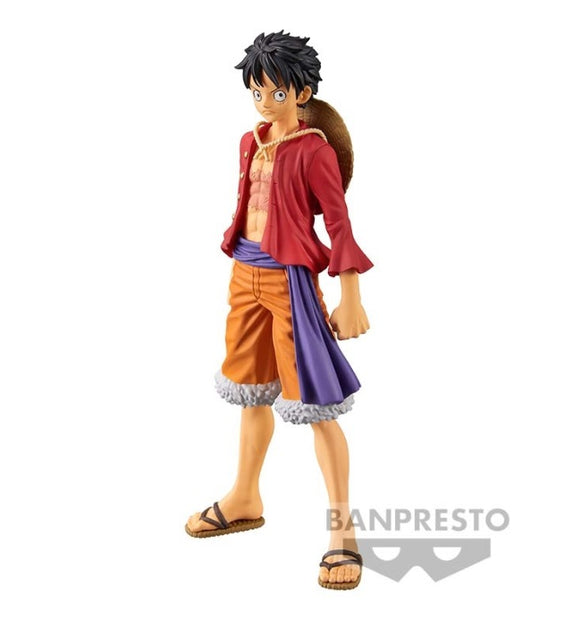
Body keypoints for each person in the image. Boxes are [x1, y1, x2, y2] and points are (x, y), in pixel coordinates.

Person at [185, 31, 373, 590]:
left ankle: (343, 531)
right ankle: (245, 494)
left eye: (276, 92)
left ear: (302, 92)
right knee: (250, 391)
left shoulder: (315, 151)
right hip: (244, 276)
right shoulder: (250, 141)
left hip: (291, 283)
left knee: (316, 403)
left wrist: (351, 295)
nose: (264, 101)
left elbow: (337, 223)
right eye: (257, 91)